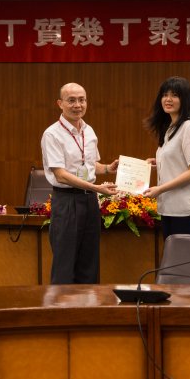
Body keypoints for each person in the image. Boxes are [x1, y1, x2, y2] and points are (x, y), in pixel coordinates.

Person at [41, 82, 119, 284]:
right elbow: (61, 175)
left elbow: (90, 165)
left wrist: (108, 168)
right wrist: (95, 188)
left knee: (89, 263)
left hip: (90, 202)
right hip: (67, 202)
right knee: (65, 265)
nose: (78, 105)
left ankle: (89, 304)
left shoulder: (89, 130)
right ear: (60, 104)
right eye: (71, 100)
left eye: (82, 100)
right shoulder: (52, 134)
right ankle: (61, 305)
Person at [143, 76, 190, 239]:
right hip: (171, 207)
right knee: (172, 254)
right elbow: (180, 160)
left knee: (183, 255)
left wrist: (160, 189)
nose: (168, 99)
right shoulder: (171, 128)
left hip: (187, 208)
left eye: (174, 95)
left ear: (185, 99)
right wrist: (158, 162)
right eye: (165, 95)